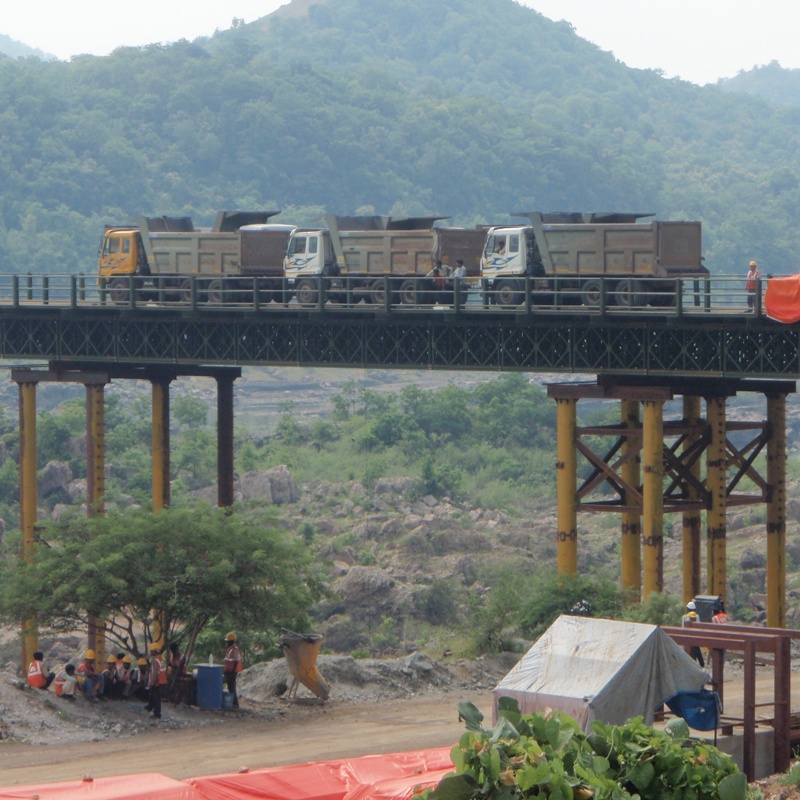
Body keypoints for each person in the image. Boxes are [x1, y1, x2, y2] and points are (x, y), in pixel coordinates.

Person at [145, 643, 165, 720]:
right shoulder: (159, 658)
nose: (151, 652)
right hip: (160, 680)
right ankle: (150, 707)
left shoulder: (155, 660)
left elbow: (155, 672)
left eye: (152, 651)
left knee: (156, 697)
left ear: (155, 651)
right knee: (153, 695)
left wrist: (151, 682)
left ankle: (157, 714)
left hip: (157, 681)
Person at [681, 601, 705, 667]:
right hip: (695, 638)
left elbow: (683, 627)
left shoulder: (684, 617)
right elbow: (699, 626)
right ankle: (702, 664)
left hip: (687, 638)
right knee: (697, 651)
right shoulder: (697, 616)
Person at [223, 631, 242, 709]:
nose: (227, 642)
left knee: (232, 687)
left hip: (232, 671)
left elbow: (236, 661)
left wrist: (233, 671)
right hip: (229, 671)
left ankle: (235, 704)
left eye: (228, 641)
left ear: (232, 641)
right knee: (230, 687)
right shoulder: (231, 649)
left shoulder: (234, 649)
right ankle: (233, 703)